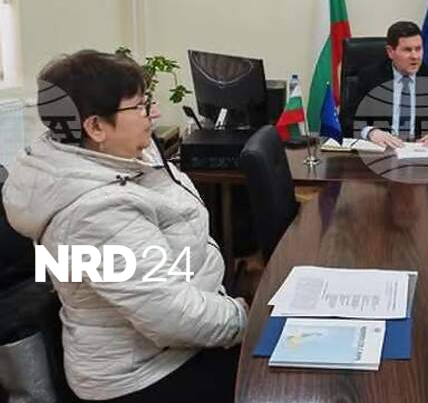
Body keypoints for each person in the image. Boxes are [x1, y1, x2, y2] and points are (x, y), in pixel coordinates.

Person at [1, 51, 247, 402]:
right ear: (96, 128)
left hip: (185, 332)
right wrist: (244, 319)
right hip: (142, 373)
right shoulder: (92, 212)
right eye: (141, 106)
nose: (154, 113)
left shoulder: (122, 156)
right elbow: (170, 315)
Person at [341, 20, 428, 148]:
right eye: (407, 50)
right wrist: (371, 132)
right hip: (382, 150)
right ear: (390, 52)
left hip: (421, 150)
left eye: (418, 49)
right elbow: (347, 120)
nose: (415, 56)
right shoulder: (370, 77)